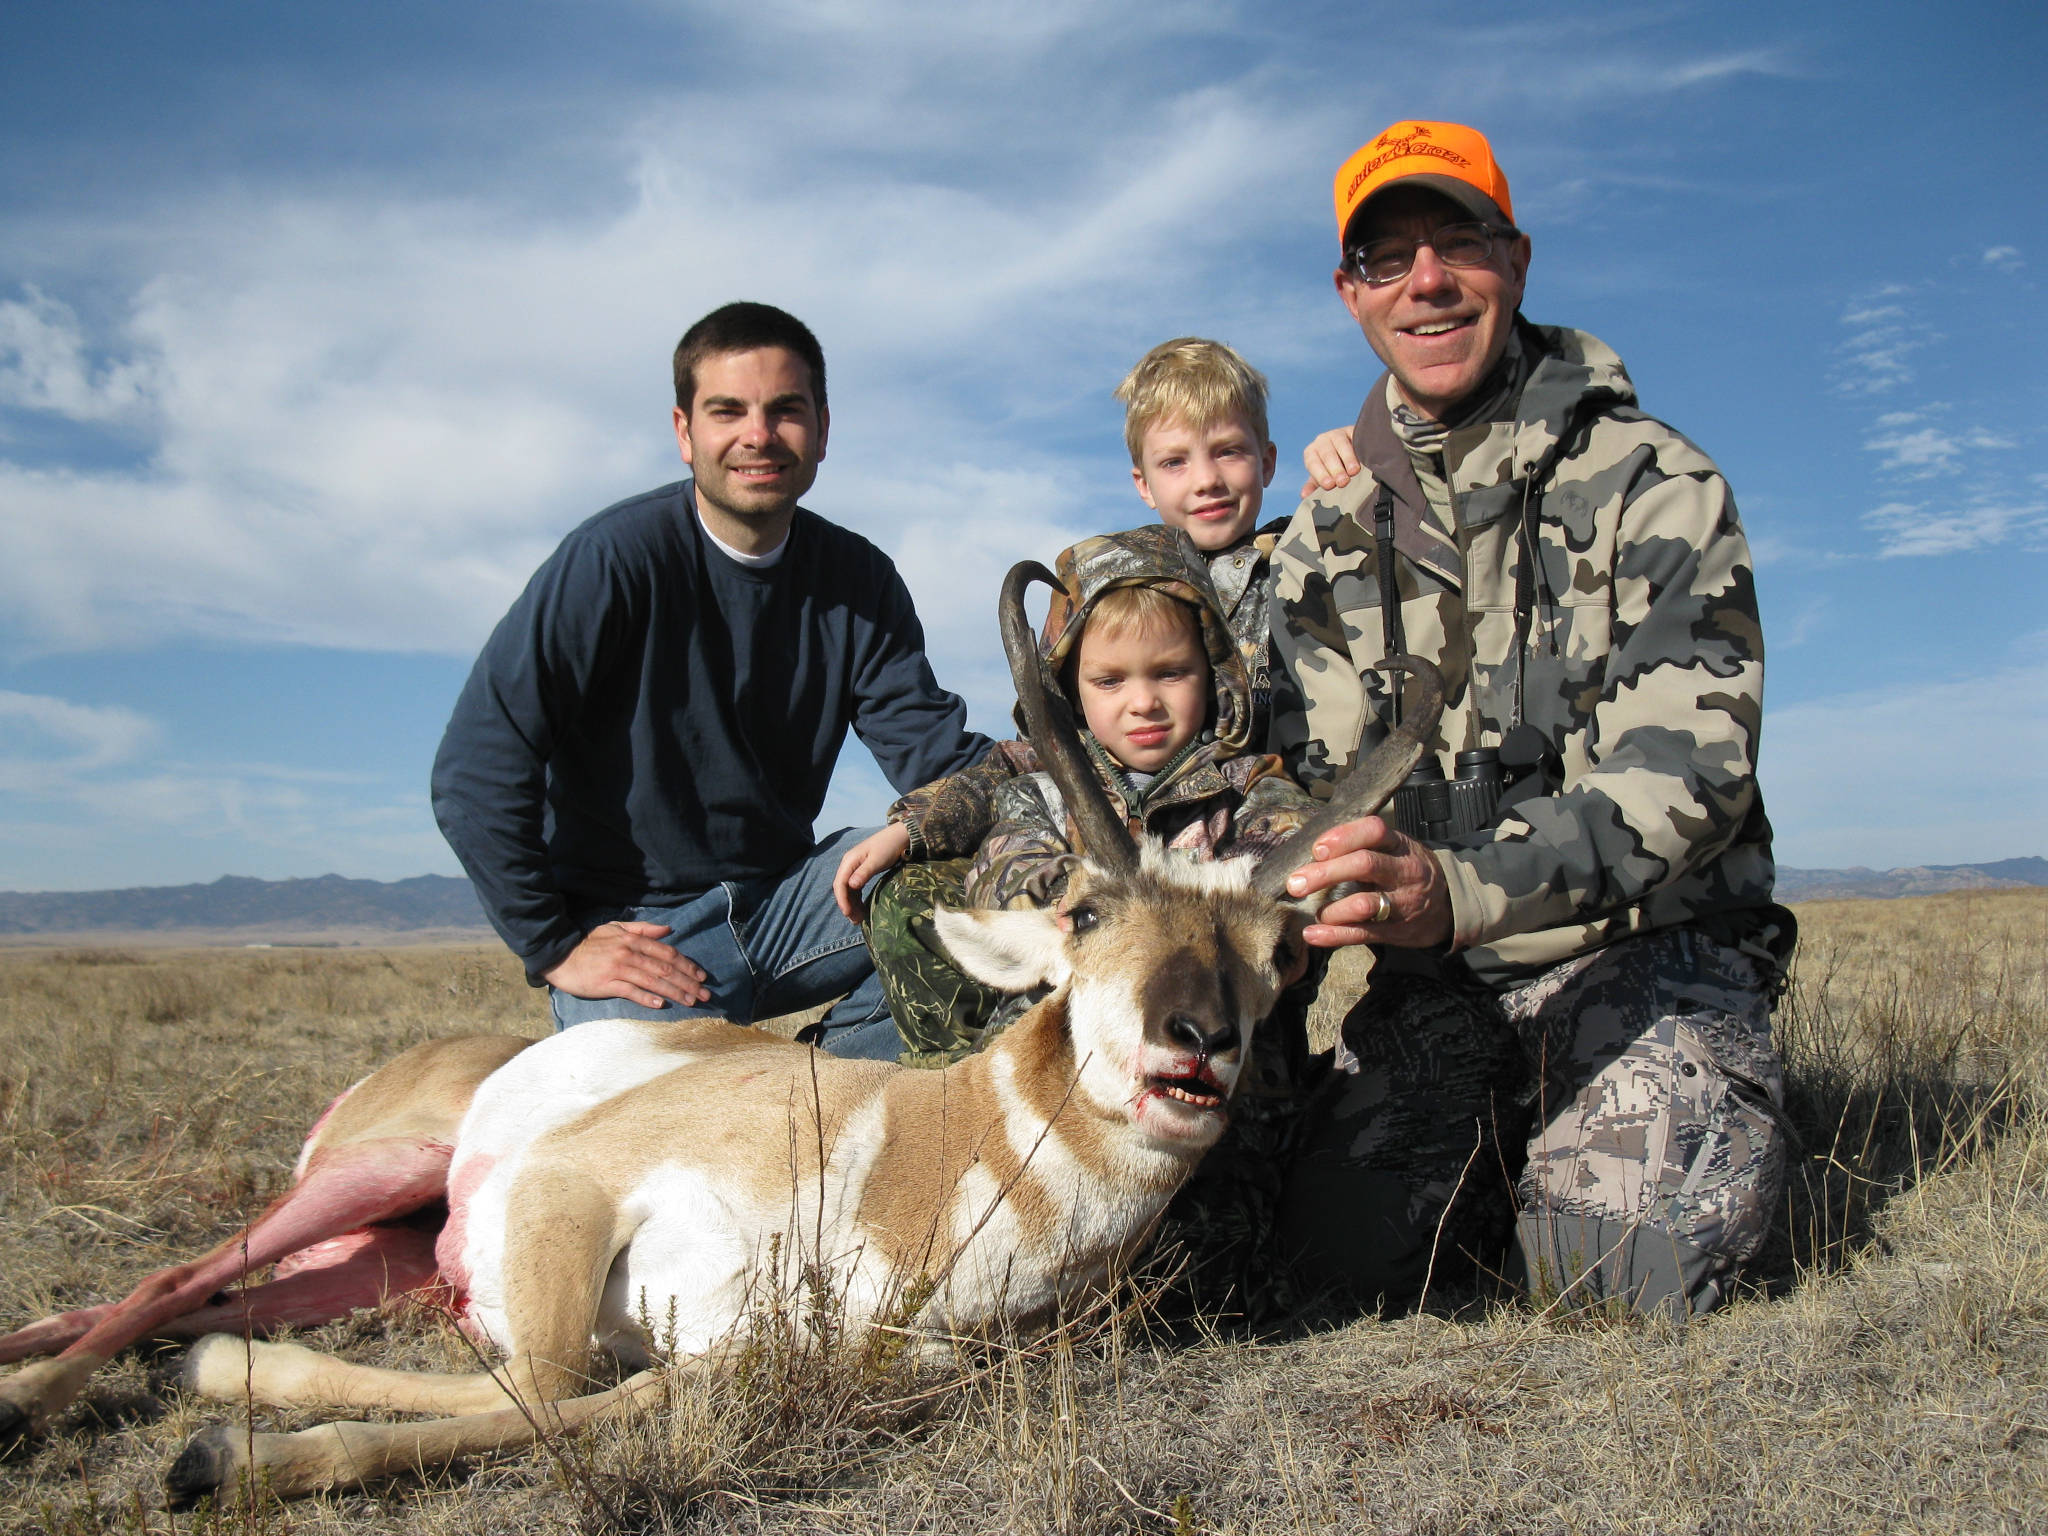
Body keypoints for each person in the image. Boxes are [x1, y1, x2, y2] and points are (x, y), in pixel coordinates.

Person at [1269, 121, 1795, 1317]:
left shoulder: (1653, 484)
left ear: (1514, 259)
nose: (1425, 280)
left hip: (1641, 957)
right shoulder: (1321, 538)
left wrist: (1456, 889)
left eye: (1456, 242)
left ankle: (1685, 1113)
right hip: (1439, 987)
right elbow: (1296, 781)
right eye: (1386, 257)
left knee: (1615, 1282)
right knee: (1326, 1274)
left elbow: (1688, 777)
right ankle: (1506, 1151)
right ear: (1351, 293)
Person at [431, 301, 988, 1059]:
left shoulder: (859, 579)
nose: (758, 435)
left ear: (822, 429)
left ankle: (824, 1088)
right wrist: (554, 945)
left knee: (990, 897)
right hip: (645, 932)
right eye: (728, 411)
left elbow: (940, 761)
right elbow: (475, 768)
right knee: (651, 1112)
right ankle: (772, 1103)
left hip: (791, 903)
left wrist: (1091, 758)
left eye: (785, 410)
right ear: (684, 432)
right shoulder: (612, 561)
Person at [836, 339, 1294, 1062]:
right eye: (1176, 461)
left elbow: (1282, 817)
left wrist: (1350, 458)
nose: (1206, 479)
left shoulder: (1299, 568)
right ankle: (967, 1080)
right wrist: (913, 826)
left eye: (1228, 452)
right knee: (915, 898)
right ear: (1143, 480)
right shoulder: (1112, 583)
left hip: (1214, 877)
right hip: (1098, 904)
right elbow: (1011, 770)